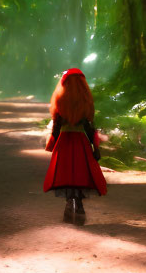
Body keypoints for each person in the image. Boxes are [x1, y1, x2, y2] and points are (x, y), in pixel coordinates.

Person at [43, 68, 107, 225]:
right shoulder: (85, 102)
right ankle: (78, 206)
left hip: (64, 142)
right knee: (79, 174)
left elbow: (57, 127)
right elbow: (89, 128)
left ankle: (68, 204)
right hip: (80, 143)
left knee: (66, 174)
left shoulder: (60, 100)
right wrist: (95, 147)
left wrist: (53, 142)